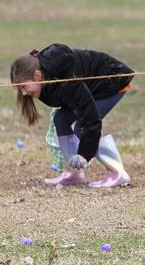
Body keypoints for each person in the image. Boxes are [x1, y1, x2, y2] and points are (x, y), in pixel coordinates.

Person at [10, 44, 134, 188]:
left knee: (82, 126)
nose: (24, 93)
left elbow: (90, 118)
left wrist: (84, 154)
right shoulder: (49, 79)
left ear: (38, 75)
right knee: (61, 119)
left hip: (112, 83)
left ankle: (118, 173)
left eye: (24, 87)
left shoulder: (67, 81)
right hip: (89, 88)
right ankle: (74, 174)